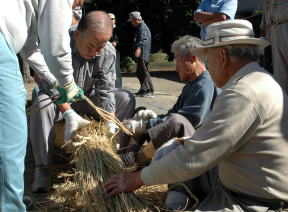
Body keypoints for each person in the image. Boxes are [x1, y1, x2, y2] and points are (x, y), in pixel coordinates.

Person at [104, 19, 288, 212]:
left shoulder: (243, 93)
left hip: (255, 199)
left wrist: (137, 178)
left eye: (207, 58)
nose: (206, 65)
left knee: (180, 155)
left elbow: (196, 155)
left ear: (222, 56)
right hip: (241, 178)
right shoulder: (257, 79)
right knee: (175, 150)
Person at [0, 0, 85, 211]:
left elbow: (29, 48)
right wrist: (68, 82)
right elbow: (55, 44)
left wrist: (55, 82)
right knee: (9, 142)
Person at [29, 11, 136, 193]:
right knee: (40, 104)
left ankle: (113, 157)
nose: (96, 53)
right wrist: (68, 112)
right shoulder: (58, 43)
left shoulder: (106, 51)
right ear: (77, 34)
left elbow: (106, 90)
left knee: (126, 98)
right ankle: (43, 168)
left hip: (85, 97)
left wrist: (109, 120)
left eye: (101, 47)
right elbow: (44, 81)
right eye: (92, 46)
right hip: (57, 97)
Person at [120, 35, 219, 168]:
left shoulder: (204, 84)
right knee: (141, 111)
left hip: (194, 145)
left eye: (177, 60)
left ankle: (136, 161)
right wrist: (153, 119)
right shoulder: (192, 85)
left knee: (170, 123)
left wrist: (146, 125)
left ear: (192, 58)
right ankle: (129, 154)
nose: (176, 66)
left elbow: (186, 121)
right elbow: (173, 114)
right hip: (179, 136)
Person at [260, 0, 288, 94]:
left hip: (285, 27)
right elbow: (263, 23)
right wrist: (262, 37)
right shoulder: (266, 2)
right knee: (280, 76)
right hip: (273, 34)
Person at [128, 11, 154, 97]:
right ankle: (143, 89)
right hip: (142, 54)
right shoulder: (140, 27)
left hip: (143, 54)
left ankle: (149, 90)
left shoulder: (142, 27)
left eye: (131, 21)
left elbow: (143, 39)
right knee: (140, 72)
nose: (131, 23)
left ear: (136, 20)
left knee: (144, 72)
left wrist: (139, 48)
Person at [108, 12, 122, 89]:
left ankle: (118, 87)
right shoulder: (105, 29)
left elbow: (123, 40)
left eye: (112, 19)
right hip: (107, 52)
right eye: (109, 19)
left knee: (116, 69)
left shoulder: (119, 29)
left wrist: (116, 43)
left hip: (116, 51)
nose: (111, 20)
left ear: (115, 20)